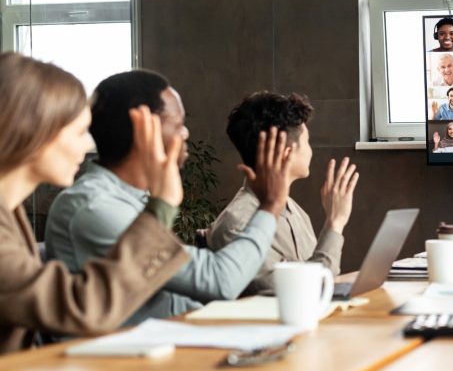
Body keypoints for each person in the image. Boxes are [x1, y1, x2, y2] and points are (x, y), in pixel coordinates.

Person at [45, 70, 291, 325]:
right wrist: (270, 206)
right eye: (177, 124)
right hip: (125, 359)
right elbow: (220, 280)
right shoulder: (95, 208)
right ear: (141, 126)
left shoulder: (130, 200)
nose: (185, 133)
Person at [0, 52, 191, 354]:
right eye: (78, 132)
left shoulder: (9, 213)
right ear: (32, 132)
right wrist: (162, 204)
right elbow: (82, 307)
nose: (89, 145)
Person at [208, 92, 359, 292]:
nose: (311, 150)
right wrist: (335, 223)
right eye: (307, 142)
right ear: (286, 154)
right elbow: (297, 291)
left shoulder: (295, 212)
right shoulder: (236, 225)